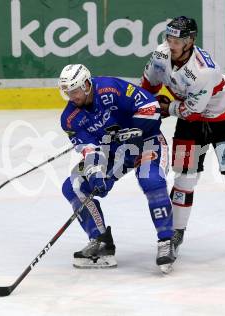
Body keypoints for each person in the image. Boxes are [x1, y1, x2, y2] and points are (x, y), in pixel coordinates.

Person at [141, 16, 225, 255]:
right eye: (169, 37)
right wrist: (141, 107)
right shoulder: (160, 56)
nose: (172, 43)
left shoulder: (204, 70)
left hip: (224, 117)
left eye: (178, 39)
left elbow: (189, 110)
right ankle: (176, 231)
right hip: (191, 120)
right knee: (184, 177)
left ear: (191, 41)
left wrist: (166, 109)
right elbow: (147, 86)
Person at [59, 64, 175, 273]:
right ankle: (101, 241)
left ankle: (166, 241)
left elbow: (151, 106)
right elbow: (91, 149)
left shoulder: (110, 88)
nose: (72, 97)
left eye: (74, 91)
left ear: (86, 85)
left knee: (151, 180)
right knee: (74, 186)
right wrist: (96, 175)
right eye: (67, 93)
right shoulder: (69, 119)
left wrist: (134, 129)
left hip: (147, 142)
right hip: (115, 154)